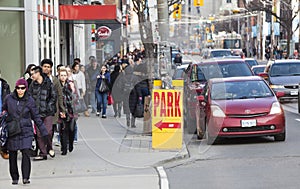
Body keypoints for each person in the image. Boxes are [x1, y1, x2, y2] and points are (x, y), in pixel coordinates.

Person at [2, 78, 48, 185]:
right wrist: (5, 116)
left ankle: (26, 177)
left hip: (26, 130)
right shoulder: (9, 99)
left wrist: (44, 132)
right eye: (18, 88)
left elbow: (36, 117)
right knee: (12, 154)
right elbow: (3, 111)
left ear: (26, 89)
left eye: (22, 88)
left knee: (26, 152)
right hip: (13, 130)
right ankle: (14, 177)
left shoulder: (30, 101)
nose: (20, 90)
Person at [28, 66, 57, 160]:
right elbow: (30, 97)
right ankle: (43, 153)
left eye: (33, 74)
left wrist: (49, 106)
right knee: (39, 134)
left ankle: (49, 147)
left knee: (48, 131)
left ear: (38, 73)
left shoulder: (48, 83)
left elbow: (53, 96)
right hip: (37, 113)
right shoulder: (33, 84)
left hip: (48, 112)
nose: (31, 76)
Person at [40, 59, 65, 158]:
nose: (46, 68)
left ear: (51, 68)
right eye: (44, 66)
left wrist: (62, 109)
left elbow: (59, 95)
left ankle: (49, 147)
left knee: (50, 130)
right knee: (39, 131)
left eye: (48, 67)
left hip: (52, 109)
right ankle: (43, 150)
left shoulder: (55, 80)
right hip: (40, 109)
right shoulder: (38, 79)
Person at [57, 68, 76, 155]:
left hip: (70, 110)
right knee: (63, 129)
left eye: (65, 75)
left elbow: (74, 97)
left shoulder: (70, 84)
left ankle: (71, 142)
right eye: (61, 75)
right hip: (61, 110)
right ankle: (64, 147)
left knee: (71, 129)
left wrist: (71, 88)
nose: (63, 77)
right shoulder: (56, 85)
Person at [0, 69, 11, 159]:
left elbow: (8, 98)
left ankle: (3, 150)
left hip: (2, 111)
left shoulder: (5, 85)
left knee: (4, 132)